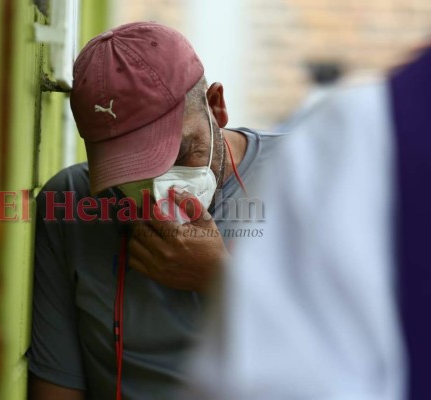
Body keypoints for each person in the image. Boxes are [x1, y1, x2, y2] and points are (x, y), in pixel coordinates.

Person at [26, 21, 285, 400]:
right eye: (129, 171)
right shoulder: (72, 204)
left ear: (216, 106)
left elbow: (361, 362)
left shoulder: (306, 177)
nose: (159, 191)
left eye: (178, 154)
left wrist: (222, 281)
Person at [185, 47, 431, 400]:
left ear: (216, 107)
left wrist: (216, 274)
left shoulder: (347, 145)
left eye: (182, 151)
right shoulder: (345, 143)